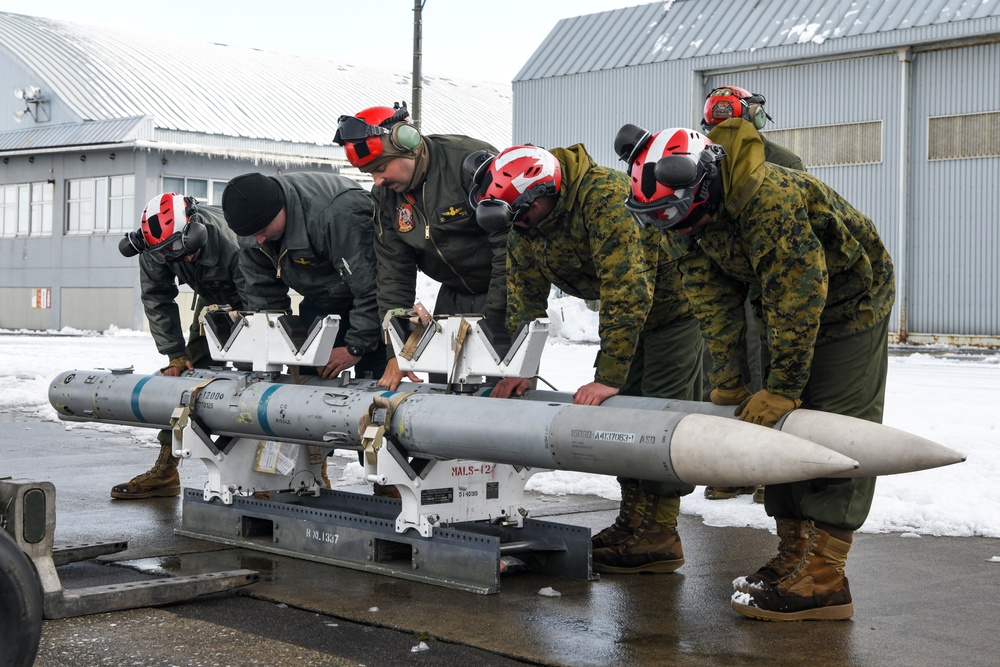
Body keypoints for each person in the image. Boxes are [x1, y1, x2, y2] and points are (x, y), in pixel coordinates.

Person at [614, 119, 895, 621]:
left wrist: (783, 385)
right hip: (781, 300)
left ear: (701, 183)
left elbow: (798, 296)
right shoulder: (683, 217)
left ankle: (825, 577)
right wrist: (729, 376)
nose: (671, 228)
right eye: (655, 218)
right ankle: (793, 555)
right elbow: (712, 298)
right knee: (778, 429)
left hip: (851, 304)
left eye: (673, 216)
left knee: (833, 423)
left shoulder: (771, 199)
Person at [472, 144, 703, 575]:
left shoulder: (605, 199)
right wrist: (523, 369)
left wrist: (609, 374)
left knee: (658, 419)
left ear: (543, 193)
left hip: (676, 311)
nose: (519, 225)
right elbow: (524, 298)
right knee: (623, 422)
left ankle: (659, 534)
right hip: (633, 316)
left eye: (523, 214)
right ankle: (632, 521)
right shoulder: (526, 220)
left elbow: (627, 290)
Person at [334, 103, 504, 388]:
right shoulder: (386, 197)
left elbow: (510, 249)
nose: (378, 181)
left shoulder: (469, 163)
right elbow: (393, 273)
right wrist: (398, 351)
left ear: (408, 144)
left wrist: (500, 325)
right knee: (444, 388)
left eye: (380, 168)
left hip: (503, 285)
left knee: (503, 390)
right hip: (453, 294)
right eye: (369, 173)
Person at [700, 85, 805, 502]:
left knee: (767, 368)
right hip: (724, 280)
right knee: (724, 370)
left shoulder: (782, 162)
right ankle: (732, 465)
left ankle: (768, 468)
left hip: (768, 280)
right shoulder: (697, 159)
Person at [112, 193, 246, 499]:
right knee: (186, 379)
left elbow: (261, 294)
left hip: (255, 302)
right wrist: (175, 353)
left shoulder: (232, 243)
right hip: (212, 303)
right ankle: (166, 469)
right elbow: (158, 298)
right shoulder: (155, 247)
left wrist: (252, 348)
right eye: (164, 253)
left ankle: (268, 474)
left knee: (254, 388)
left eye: (178, 248)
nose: (175, 257)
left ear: (194, 229)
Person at [221, 171, 386, 380]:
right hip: (322, 297)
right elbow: (262, 294)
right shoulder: (253, 229)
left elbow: (373, 286)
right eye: (253, 234)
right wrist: (278, 343)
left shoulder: (337, 215)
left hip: (371, 302)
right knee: (305, 371)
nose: (259, 240)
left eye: (263, 230)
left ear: (279, 207)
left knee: (373, 378)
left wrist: (355, 347)